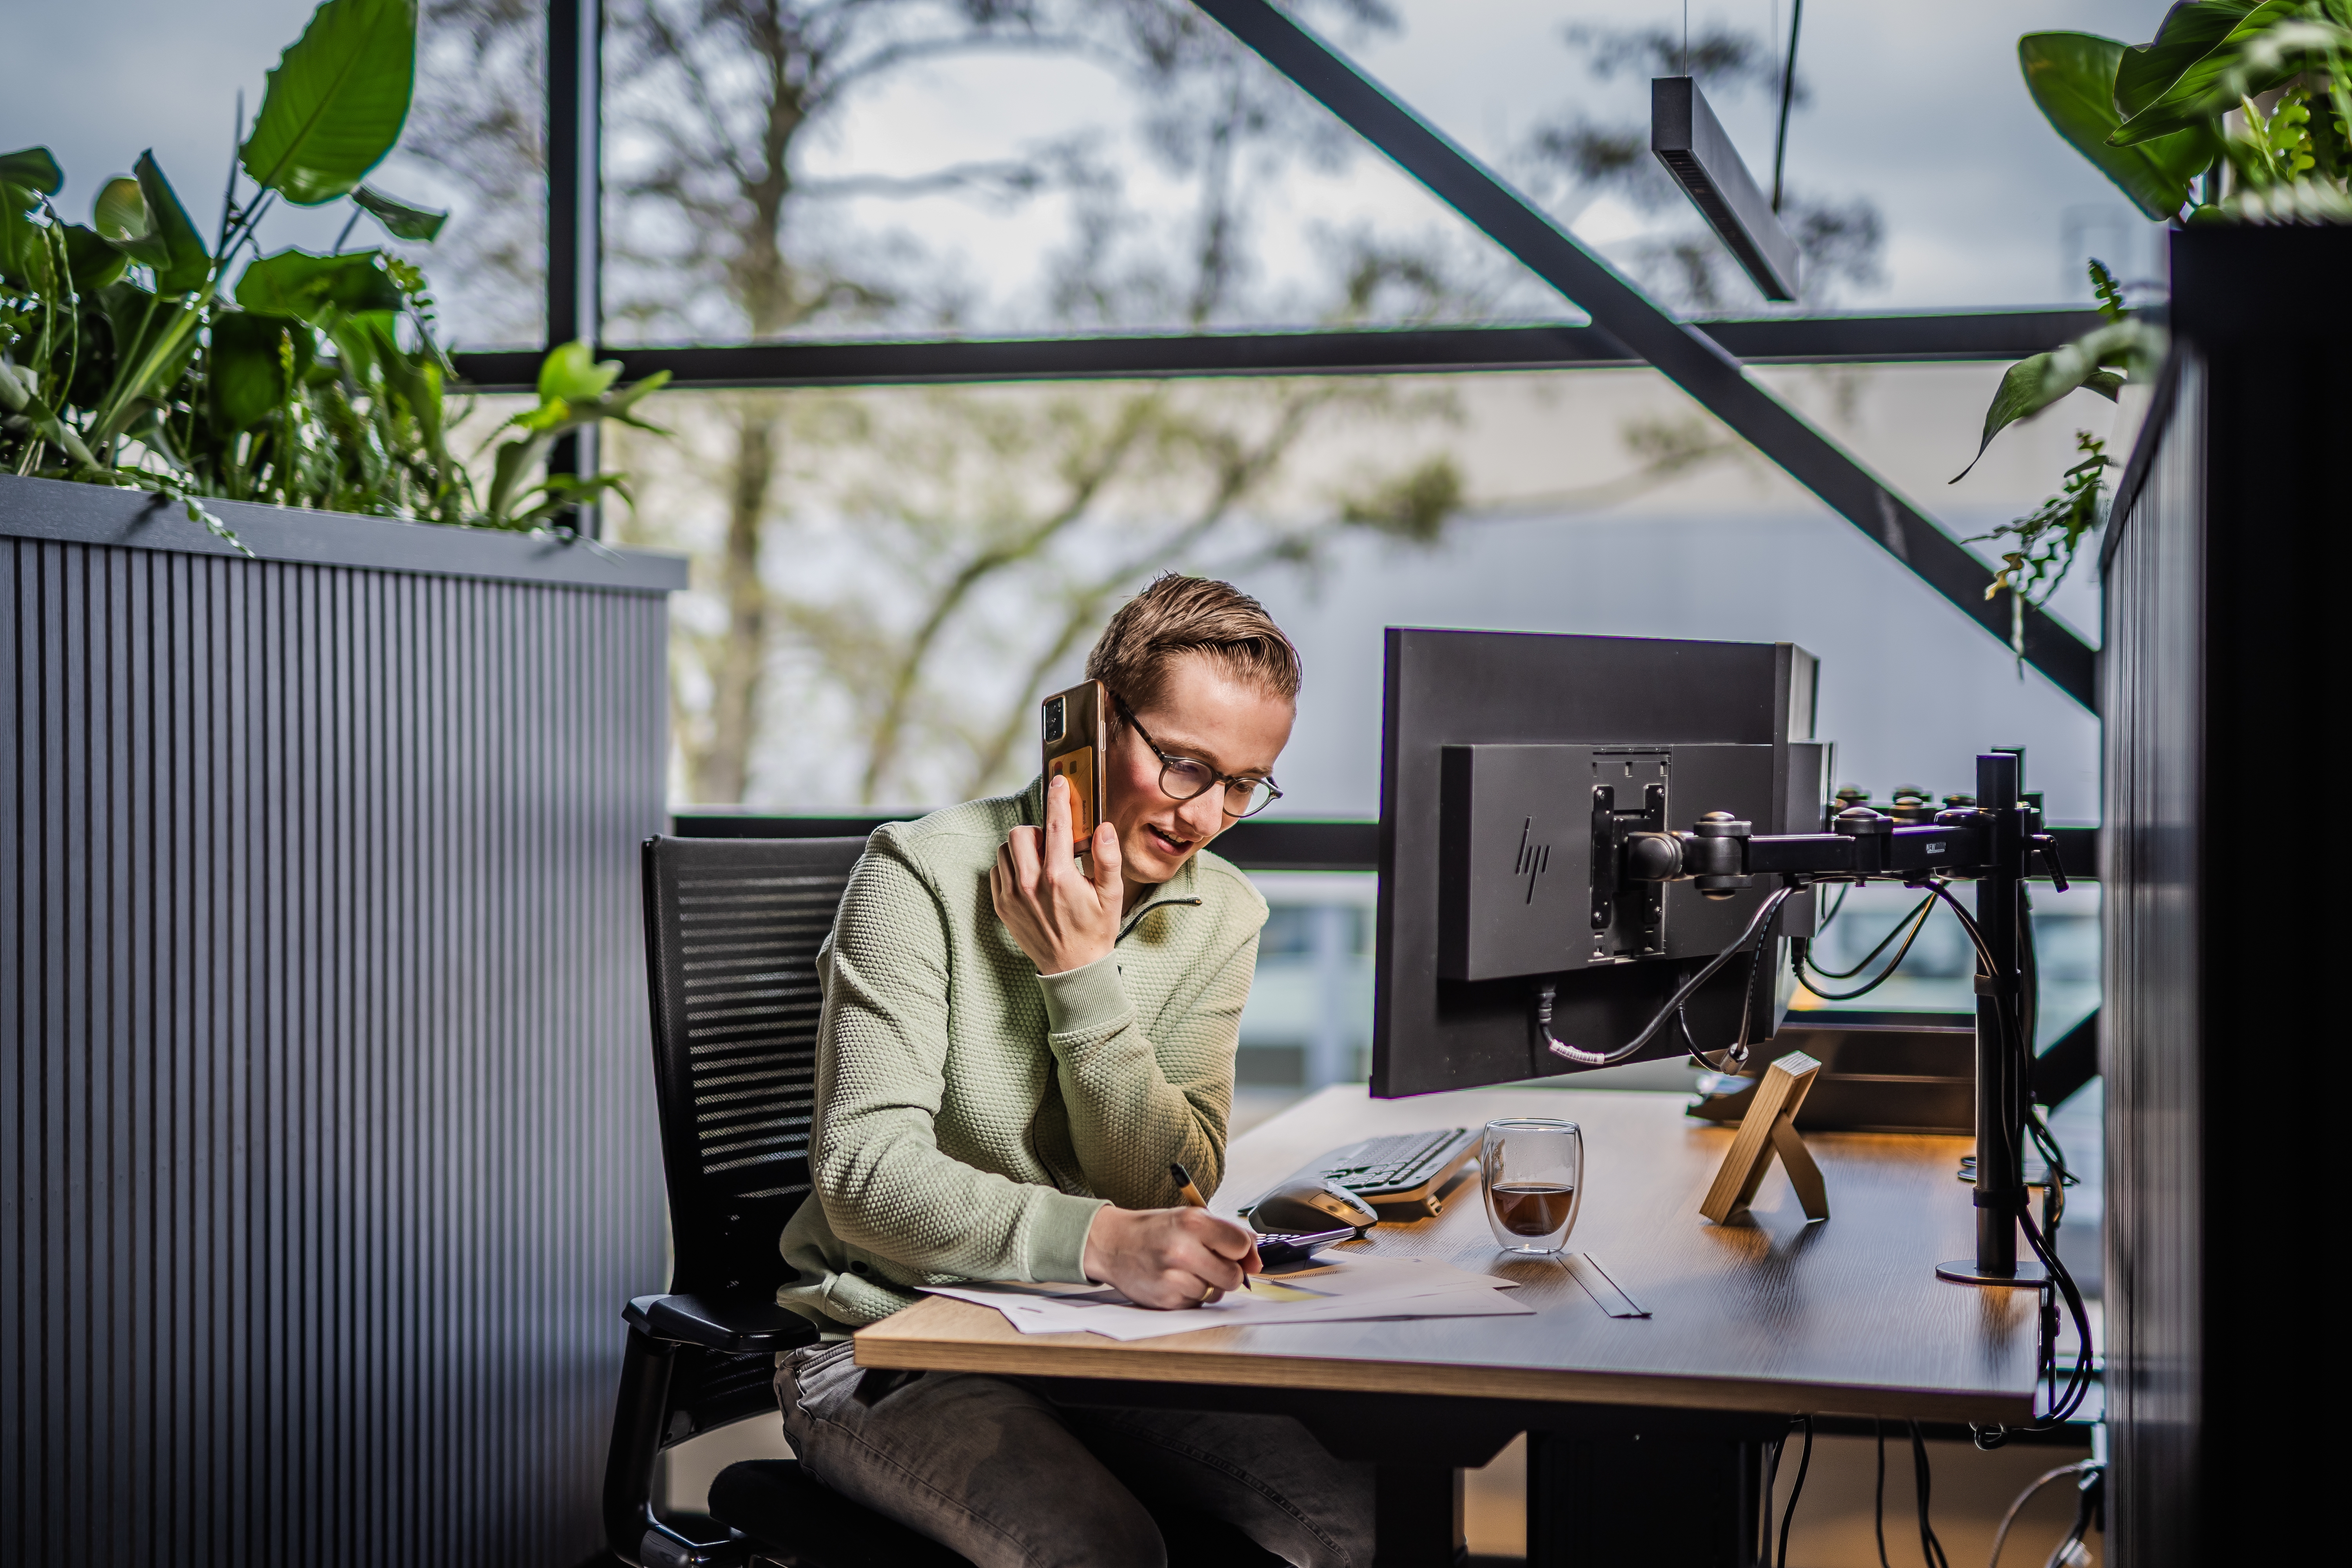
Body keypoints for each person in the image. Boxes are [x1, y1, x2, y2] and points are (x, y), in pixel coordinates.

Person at [771, 574, 1372, 1568]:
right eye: (1183, 763)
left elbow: (1161, 1185)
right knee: (1101, 1548)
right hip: (886, 1342)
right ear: (1088, 723)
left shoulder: (1223, 912)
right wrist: (1098, 1241)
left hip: (1092, 1339)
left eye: (1245, 782)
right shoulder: (918, 873)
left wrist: (1080, 975)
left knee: (1355, 1519)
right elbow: (862, 1177)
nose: (1207, 814)